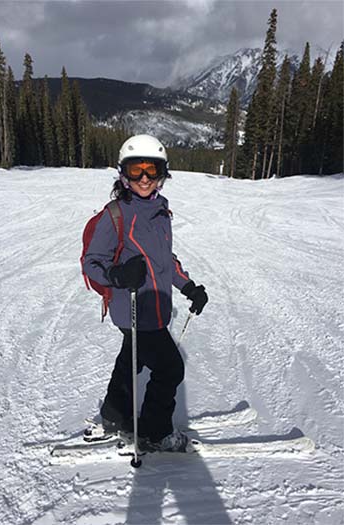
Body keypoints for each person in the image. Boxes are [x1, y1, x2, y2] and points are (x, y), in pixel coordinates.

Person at [82, 134, 209, 453]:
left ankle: (113, 416)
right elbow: (91, 263)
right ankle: (155, 431)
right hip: (134, 310)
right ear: (123, 174)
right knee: (170, 368)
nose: (143, 178)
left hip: (155, 308)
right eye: (135, 170)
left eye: (151, 171)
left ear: (162, 175)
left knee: (130, 362)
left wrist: (188, 286)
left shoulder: (160, 212)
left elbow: (166, 260)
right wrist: (117, 275)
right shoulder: (117, 214)